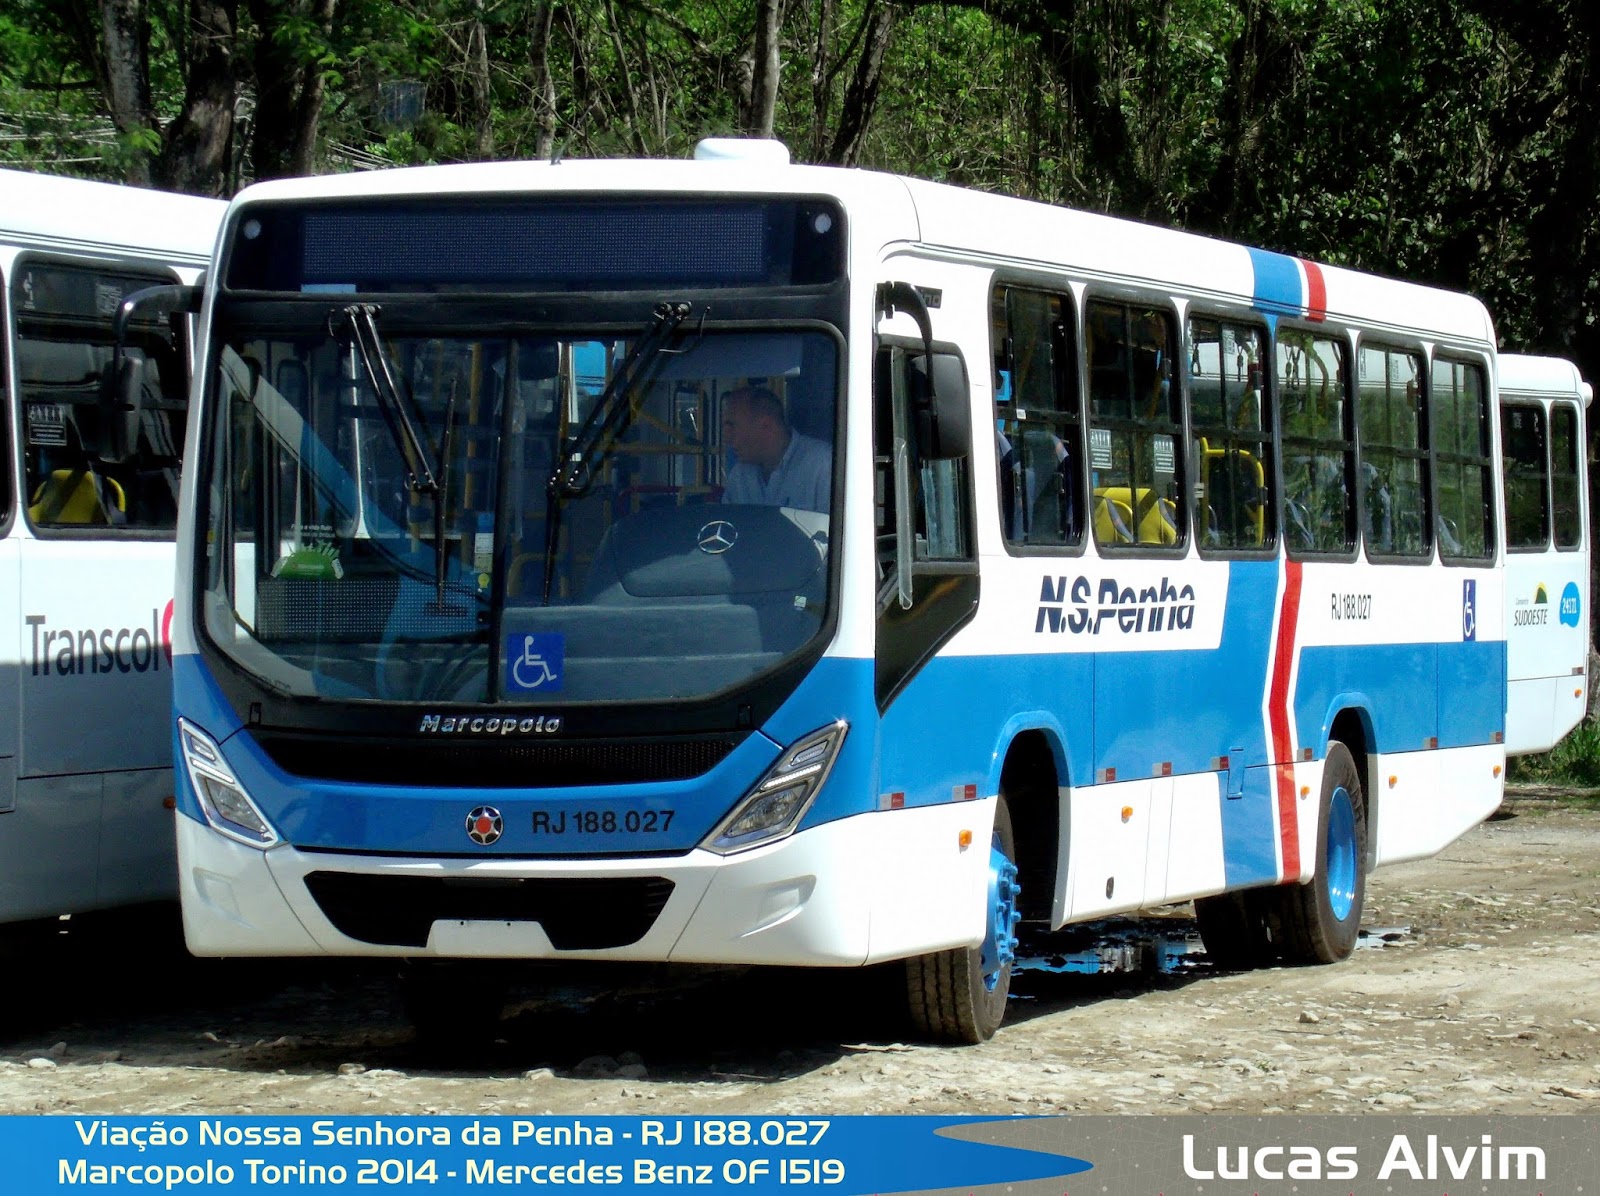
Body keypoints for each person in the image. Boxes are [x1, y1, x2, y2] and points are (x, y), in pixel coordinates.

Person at [720, 384, 832, 514]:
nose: (726, 439)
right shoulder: (739, 475)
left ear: (766, 426)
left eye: (732, 426)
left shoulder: (823, 466)